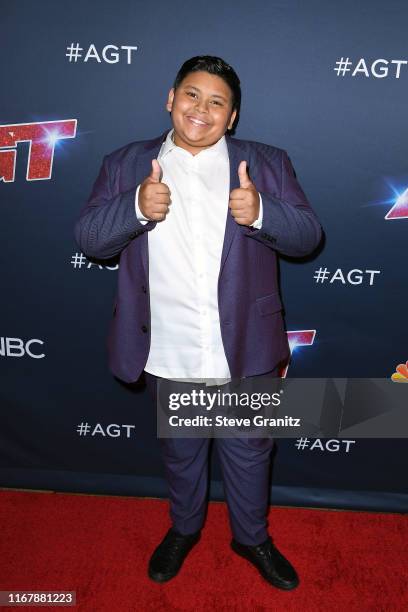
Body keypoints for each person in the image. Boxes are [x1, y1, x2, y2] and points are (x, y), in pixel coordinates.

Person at [74, 55, 322, 590]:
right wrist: (136, 206)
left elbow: (307, 236)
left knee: (251, 453)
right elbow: (91, 240)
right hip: (168, 347)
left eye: (217, 102)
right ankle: (184, 528)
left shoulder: (266, 162)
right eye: (192, 95)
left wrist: (261, 212)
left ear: (232, 117)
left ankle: (250, 536)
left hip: (245, 346)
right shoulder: (125, 163)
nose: (201, 110)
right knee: (181, 453)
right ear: (170, 98)